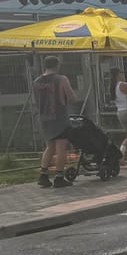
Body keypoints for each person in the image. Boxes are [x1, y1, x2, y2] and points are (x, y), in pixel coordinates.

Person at [33, 55, 77, 188]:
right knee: (60, 147)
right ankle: (59, 177)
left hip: (44, 117)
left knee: (50, 147)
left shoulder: (37, 81)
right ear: (57, 65)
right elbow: (71, 97)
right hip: (59, 116)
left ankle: (43, 175)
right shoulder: (61, 79)